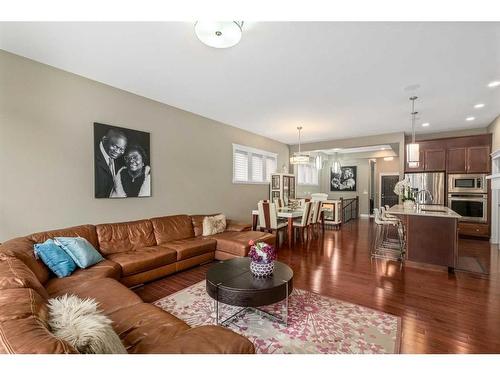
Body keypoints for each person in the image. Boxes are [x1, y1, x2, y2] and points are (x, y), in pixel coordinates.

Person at [95, 128, 128, 198]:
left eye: (121, 149)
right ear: (104, 140)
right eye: (115, 146)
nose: (117, 152)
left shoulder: (120, 163)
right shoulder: (92, 157)